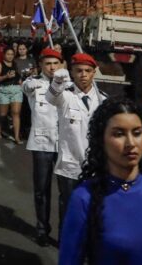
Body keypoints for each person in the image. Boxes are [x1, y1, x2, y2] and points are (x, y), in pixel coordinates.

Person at [58, 98, 142, 264]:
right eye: (119, 134)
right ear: (101, 140)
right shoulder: (84, 197)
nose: (131, 143)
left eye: (137, 133)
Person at [46, 53, 108, 232]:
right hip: (70, 166)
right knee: (69, 209)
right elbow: (51, 98)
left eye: (88, 71)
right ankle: (67, 245)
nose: (83, 74)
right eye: (79, 70)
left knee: (91, 210)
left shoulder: (103, 100)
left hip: (94, 166)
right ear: (72, 72)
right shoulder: (66, 96)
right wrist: (57, 81)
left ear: (94, 73)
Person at [21, 47, 63, 246]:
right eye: (48, 64)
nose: (52, 67)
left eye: (56, 63)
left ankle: (65, 233)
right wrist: (34, 79)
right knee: (41, 189)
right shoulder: (34, 84)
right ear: (41, 66)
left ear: (62, 65)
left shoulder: (70, 87)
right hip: (42, 143)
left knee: (67, 192)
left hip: (65, 144)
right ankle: (42, 229)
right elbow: (26, 87)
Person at [0, 47, 23, 143]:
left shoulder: (15, 64)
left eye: (12, 54)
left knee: (16, 112)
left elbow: (18, 76)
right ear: (4, 55)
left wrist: (21, 82)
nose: (10, 56)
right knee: (2, 114)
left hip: (16, 90)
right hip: (4, 90)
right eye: (8, 54)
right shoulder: (0, 64)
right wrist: (6, 76)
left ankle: (17, 136)